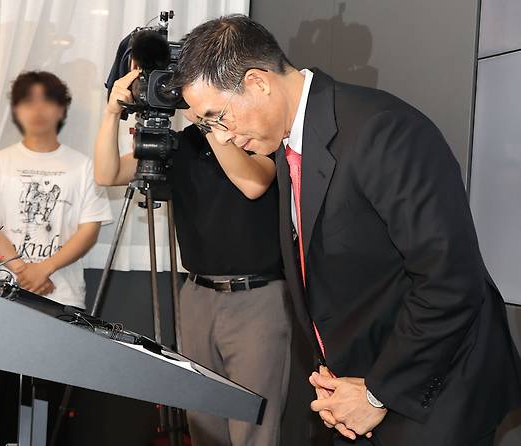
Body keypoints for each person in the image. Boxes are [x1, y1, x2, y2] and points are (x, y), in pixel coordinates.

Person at [171, 14, 521, 446]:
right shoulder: (285, 143)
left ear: (259, 83)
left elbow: (450, 281)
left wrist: (377, 393)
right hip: (358, 387)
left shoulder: (381, 131)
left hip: (433, 392)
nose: (220, 137)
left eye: (217, 117)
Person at [94, 66, 308, 445]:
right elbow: (107, 173)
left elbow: (253, 184)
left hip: (256, 299)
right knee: (202, 420)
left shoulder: (254, 135)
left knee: (254, 427)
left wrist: (211, 123)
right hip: (195, 296)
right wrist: (113, 111)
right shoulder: (178, 145)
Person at [0, 71, 112, 308]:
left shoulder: (85, 166)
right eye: (28, 101)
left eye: (47, 101)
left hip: (63, 295)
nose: (38, 110)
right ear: (16, 110)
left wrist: (44, 269)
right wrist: (22, 271)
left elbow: (89, 230)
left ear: (61, 109)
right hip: (4, 290)